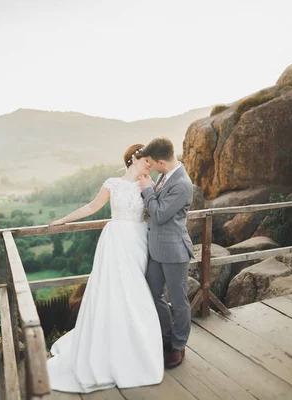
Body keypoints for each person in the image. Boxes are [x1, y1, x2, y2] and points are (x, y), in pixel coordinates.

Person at [46, 144, 164, 393]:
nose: (150, 164)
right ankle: (112, 348)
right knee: (115, 291)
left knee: (136, 293)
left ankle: (137, 346)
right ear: (134, 158)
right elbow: (91, 207)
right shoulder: (112, 183)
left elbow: (153, 213)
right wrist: (63, 220)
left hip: (139, 241)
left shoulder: (148, 183)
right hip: (117, 240)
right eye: (146, 160)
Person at [137, 137, 194, 369]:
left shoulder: (182, 183)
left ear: (161, 161)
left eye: (151, 162)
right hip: (156, 250)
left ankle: (179, 345)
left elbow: (159, 214)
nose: (149, 166)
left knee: (179, 301)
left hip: (174, 251)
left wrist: (146, 190)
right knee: (153, 293)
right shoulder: (164, 175)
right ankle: (165, 336)